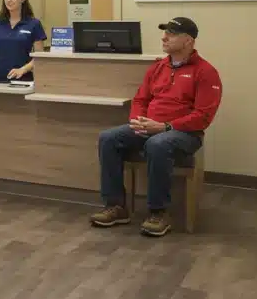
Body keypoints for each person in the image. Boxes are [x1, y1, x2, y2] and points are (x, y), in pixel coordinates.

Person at [89, 18, 223, 237]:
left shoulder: (206, 72)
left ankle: (158, 212)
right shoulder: (158, 67)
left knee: (157, 144)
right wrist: (137, 121)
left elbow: (203, 116)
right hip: (150, 127)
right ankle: (116, 206)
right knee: (108, 138)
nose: (164, 37)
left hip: (184, 134)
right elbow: (141, 99)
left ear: (188, 40)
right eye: (164, 33)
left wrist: (165, 126)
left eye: (171, 34)